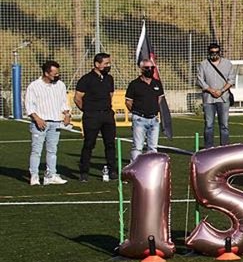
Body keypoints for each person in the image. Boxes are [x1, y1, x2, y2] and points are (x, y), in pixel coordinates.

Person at [25, 59, 70, 185]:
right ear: (46, 73)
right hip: (40, 122)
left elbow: (63, 102)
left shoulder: (60, 85)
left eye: (57, 73)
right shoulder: (34, 86)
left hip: (56, 122)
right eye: (54, 73)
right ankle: (34, 176)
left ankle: (51, 175)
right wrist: (37, 119)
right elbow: (29, 105)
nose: (57, 75)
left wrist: (67, 114)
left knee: (52, 150)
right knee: (36, 150)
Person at [73, 52, 116, 182]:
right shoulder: (86, 79)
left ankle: (112, 170)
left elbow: (110, 95)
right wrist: (88, 110)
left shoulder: (109, 79)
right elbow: (77, 98)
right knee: (89, 144)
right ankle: (84, 172)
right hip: (92, 116)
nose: (108, 66)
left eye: (109, 63)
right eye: (106, 63)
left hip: (107, 115)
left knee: (110, 144)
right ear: (97, 64)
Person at [196, 41, 236, 147]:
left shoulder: (227, 64)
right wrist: (210, 90)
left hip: (223, 98)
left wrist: (221, 90)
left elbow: (231, 80)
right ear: (208, 52)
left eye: (216, 52)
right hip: (208, 99)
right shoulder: (203, 64)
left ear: (220, 52)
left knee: (224, 125)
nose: (214, 54)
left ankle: (224, 147)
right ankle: (209, 148)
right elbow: (200, 80)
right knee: (209, 125)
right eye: (212, 52)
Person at [125, 59, 165, 160]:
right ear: (141, 69)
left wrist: (153, 110)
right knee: (138, 147)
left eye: (152, 68)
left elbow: (159, 98)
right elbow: (128, 101)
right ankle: (135, 168)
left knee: (153, 147)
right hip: (139, 119)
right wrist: (137, 113)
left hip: (154, 119)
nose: (150, 69)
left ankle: (150, 168)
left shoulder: (157, 83)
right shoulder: (134, 84)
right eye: (147, 68)